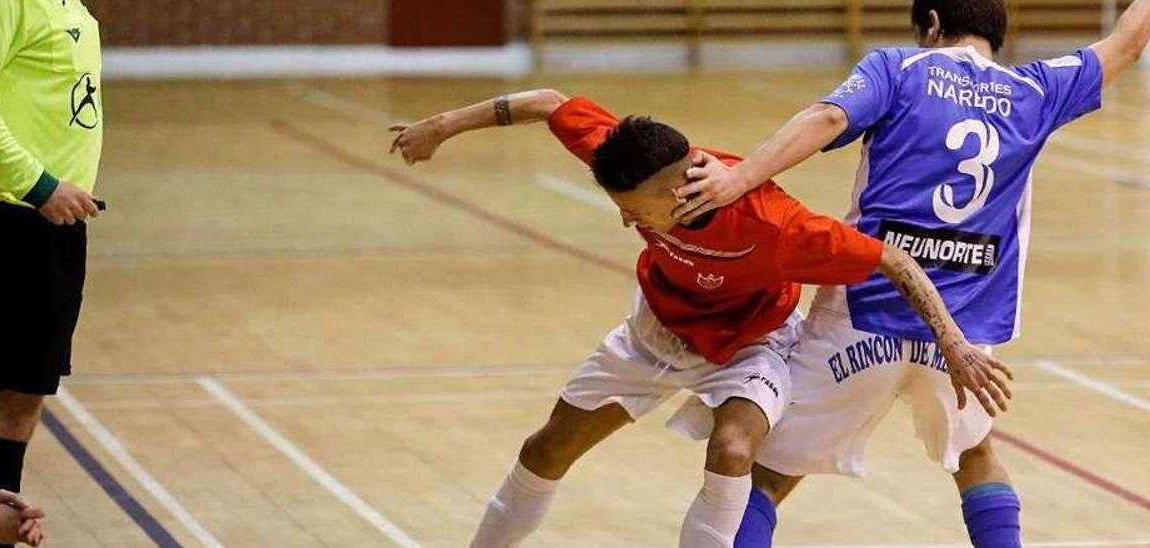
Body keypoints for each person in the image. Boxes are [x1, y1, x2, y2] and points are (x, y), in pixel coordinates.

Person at [389, 89, 1011, 547]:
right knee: (547, 448)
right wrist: (440, 125)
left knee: (735, 447)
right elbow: (547, 103)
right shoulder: (636, 157)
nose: (628, 223)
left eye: (636, 211)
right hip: (654, 332)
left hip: (753, 343)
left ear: (678, 188)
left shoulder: (776, 228)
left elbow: (895, 260)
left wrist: (953, 345)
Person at [672, 0, 1150, 544]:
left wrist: (739, 178)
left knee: (766, 478)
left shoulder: (899, 68)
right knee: (976, 457)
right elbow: (1128, 41)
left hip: (862, 315)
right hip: (963, 335)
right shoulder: (1035, 90)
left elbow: (829, 118)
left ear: (932, 24)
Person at [0, 2, 105, 546]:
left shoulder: (74, 7)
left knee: (21, 396)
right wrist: (38, 186)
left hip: (57, 226)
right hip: (13, 216)